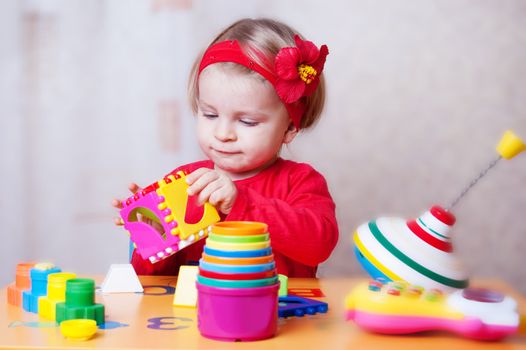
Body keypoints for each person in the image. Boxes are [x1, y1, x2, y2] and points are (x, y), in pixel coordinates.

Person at [112, 18, 338, 278]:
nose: (223, 134)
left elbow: (319, 245)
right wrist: (153, 237)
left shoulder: (300, 181)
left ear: (290, 129)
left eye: (247, 121)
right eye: (209, 115)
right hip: (200, 316)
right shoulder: (187, 182)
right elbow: (150, 284)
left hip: (280, 315)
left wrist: (241, 203)